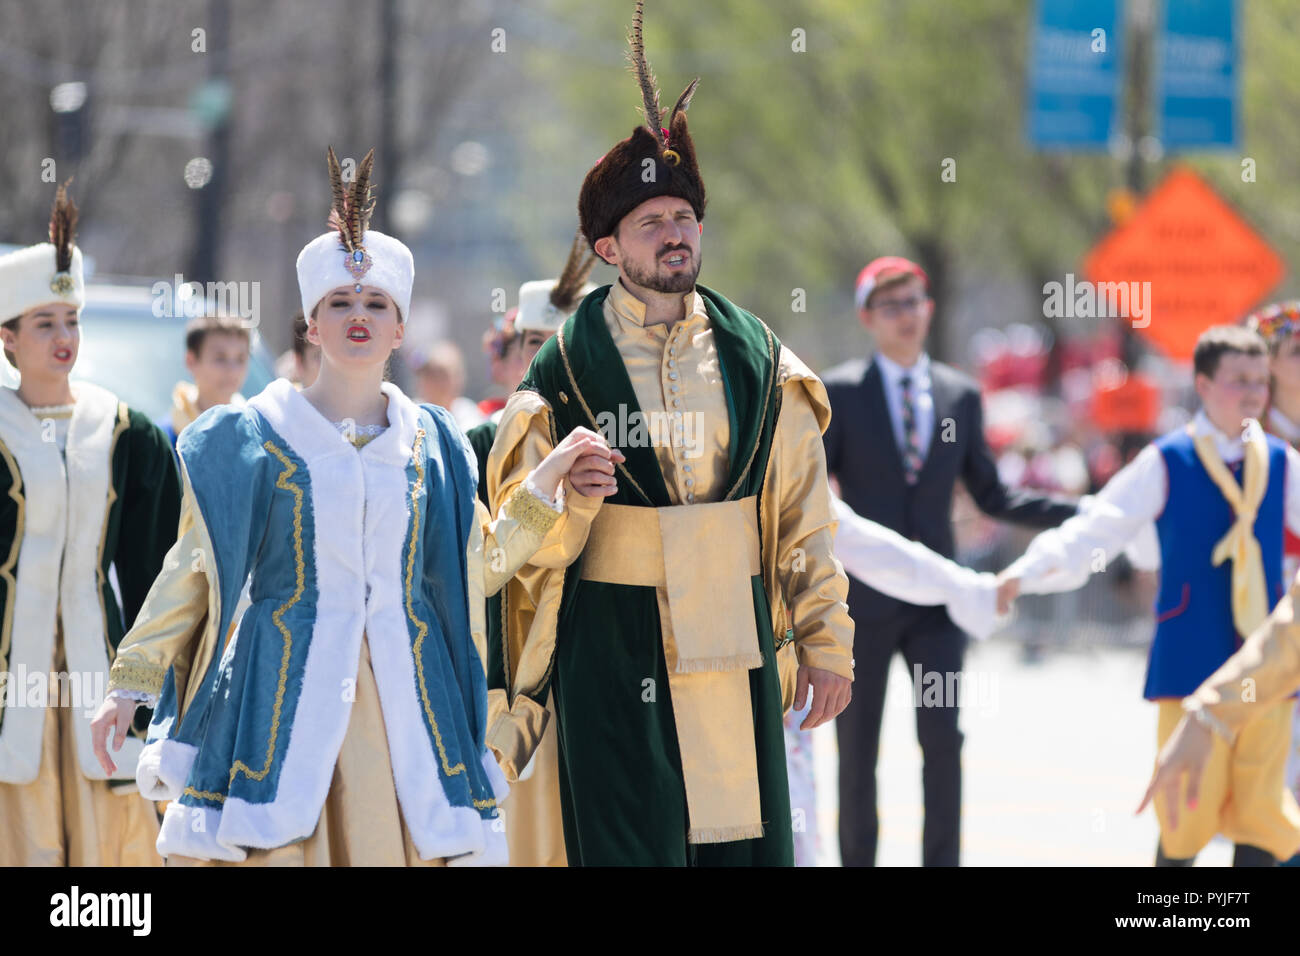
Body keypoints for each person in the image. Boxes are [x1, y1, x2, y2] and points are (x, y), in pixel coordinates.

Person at [89, 147, 614, 866]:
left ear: (401, 329)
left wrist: (545, 484)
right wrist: (132, 681)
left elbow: (479, 568)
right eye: (339, 303)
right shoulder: (252, 439)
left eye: (376, 305)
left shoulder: (436, 444)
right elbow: (194, 572)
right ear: (311, 324)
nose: (358, 315)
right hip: (277, 702)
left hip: (406, 713)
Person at [484, 1, 853, 866]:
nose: (675, 234)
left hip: (738, 641)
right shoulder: (560, 374)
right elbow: (511, 545)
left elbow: (803, 513)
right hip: (613, 640)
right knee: (627, 845)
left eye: (684, 217)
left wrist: (827, 640)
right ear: (609, 250)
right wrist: (568, 502)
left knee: (742, 846)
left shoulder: (760, 356)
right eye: (651, 223)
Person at [1001, 324, 1300, 867]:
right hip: (1191, 656)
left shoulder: (1281, 462)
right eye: (1239, 380)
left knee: (1262, 811)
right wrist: (1028, 570)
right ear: (1204, 385)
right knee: (1186, 809)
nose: (1254, 392)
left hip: (1264, 668)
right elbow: (1099, 526)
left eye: (1260, 380)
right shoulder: (1168, 460)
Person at [822, 255, 1077, 867]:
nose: (905, 316)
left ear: (928, 309)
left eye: (913, 302)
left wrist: (1087, 512)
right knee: (857, 751)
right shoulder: (839, 394)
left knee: (942, 743)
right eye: (891, 306)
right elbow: (810, 495)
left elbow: (993, 494)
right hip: (863, 608)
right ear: (867, 318)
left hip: (939, 605)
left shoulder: (960, 395)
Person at [0, 182, 180, 865]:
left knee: (111, 847)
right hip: (9, 679)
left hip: (100, 668)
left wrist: (154, 684)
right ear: (8, 339)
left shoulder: (127, 432)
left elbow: (158, 570)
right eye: (43, 322)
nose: (63, 336)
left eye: (71, 320)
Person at [466, 230, 597, 867]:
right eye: (536, 345)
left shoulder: (624, 442)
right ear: (515, 352)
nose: (549, 363)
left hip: (607, 659)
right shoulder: (469, 444)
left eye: (567, 348)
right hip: (514, 669)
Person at [157, 312, 251, 450]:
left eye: (240, 359)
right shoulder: (162, 441)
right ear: (191, 361)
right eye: (220, 358)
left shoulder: (255, 435)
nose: (232, 370)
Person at [410, 339, 486, 431]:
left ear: (458, 379)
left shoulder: (468, 415)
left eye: (443, 376)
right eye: (431, 375)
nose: (437, 384)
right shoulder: (410, 412)